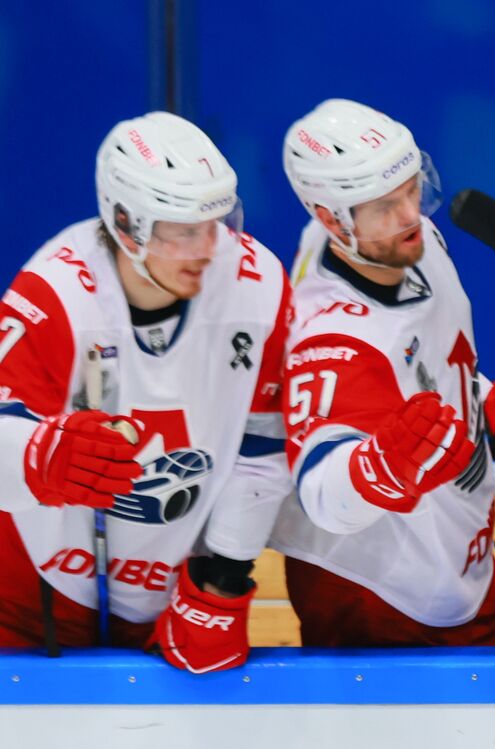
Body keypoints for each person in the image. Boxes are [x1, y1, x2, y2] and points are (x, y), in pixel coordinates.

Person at [273, 99, 495, 647]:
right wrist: (377, 467)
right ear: (328, 218)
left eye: (414, 188)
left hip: (457, 561)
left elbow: (426, 376)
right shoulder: (331, 337)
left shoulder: (408, 244)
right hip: (377, 591)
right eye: (386, 205)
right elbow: (320, 487)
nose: (411, 215)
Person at [0, 112, 291, 672]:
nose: (209, 247)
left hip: (175, 593)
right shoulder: (53, 293)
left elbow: (262, 447)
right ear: (126, 222)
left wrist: (221, 583)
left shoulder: (259, 286)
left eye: (219, 221)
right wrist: (41, 456)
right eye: (183, 230)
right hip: (33, 597)